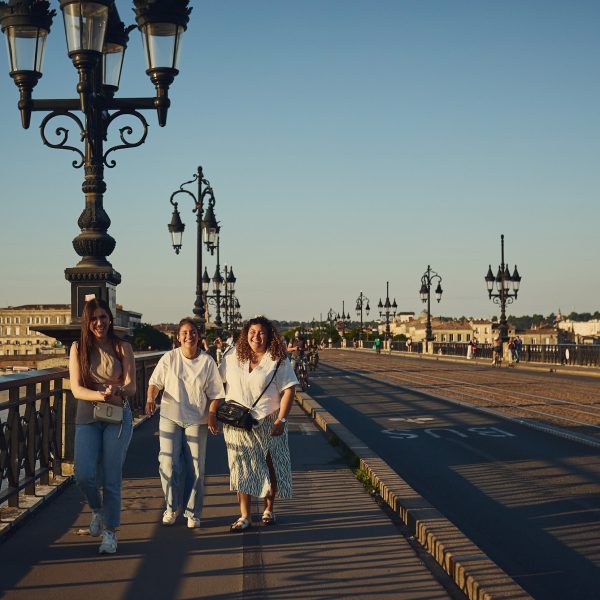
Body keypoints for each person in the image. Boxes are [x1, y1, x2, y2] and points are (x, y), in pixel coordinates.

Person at [212, 316, 297, 531]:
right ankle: (245, 516)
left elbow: (289, 390)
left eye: (261, 333)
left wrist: (281, 419)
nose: (256, 336)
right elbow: (215, 382)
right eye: (252, 332)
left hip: (269, 419)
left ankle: (268, 509)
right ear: (245, 334)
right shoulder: (232, 356)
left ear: (269, 336)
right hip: (238, 422)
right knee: (241, 467)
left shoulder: (277, 359)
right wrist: (211, 411)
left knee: (270, 465)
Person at [69, 298, 136, 555]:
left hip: (117, 417)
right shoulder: (78, 348)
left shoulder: (123, 347)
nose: (100, 322)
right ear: (88, 322)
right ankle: (97, 509)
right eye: (94, 318)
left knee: (111, 476)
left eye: (104, 317)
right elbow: (76, 389)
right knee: (83, 474)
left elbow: (131, 386)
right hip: (88, 416)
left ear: (110, 319)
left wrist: (118, 390)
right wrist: (100, 395)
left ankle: (110, 533)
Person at [146, 318, 224, 528]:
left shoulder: (207, 362)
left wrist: (212, 414)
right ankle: (171, 507)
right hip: (170, 415)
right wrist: (151, 398)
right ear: (178, 338)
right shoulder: (169, 358)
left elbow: (216, 393)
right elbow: (155, 383)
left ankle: (192, 512)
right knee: (168, 464)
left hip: (196, 419)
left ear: (198, 336)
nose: (189, 336)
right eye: (185, 333)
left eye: (193, 332)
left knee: (196, 467)